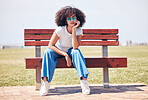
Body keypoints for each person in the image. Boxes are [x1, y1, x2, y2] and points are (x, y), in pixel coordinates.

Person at [40, 6, 90, 96]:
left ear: (77, 19)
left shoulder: (78, 30)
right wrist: (65, 55)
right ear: (65, 20)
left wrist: (74, 30)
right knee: (47, 52)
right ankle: (46, 83)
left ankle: (84, 83)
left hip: (72, 51)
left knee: (77, 52)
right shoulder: (60, 30)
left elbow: (75, 46)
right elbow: (50, 45)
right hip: (59, 50)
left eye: (74, 17)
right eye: (69, 18)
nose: (72, 20)